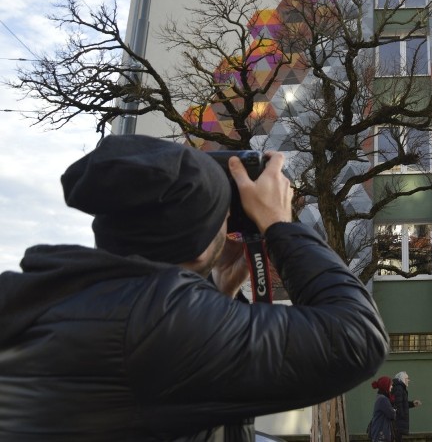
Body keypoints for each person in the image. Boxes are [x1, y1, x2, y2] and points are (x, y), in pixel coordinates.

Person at [0, 135, 389, 441]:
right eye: (223, 216)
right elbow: (357, 338)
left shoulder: (67, 295)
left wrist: (216, 294)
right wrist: (278, 226)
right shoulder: (157, 323)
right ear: (201, 242)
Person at [391, 371, 422, 441]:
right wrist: (402, 416)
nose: (408, 380)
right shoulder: (399, 388)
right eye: (407, 378)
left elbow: (402, 403)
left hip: (398, 422)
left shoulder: (400, 388)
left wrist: (412, 403)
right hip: (398, 423)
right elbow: (397, 404)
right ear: (402, 379)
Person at [370, 376, 396, 442]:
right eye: (390, 385)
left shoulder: (380, 397)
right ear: (385, 386)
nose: (392, 387)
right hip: (381, 434)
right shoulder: (383, 399)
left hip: (379, 433)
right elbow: (392, 415)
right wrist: (394, 410)